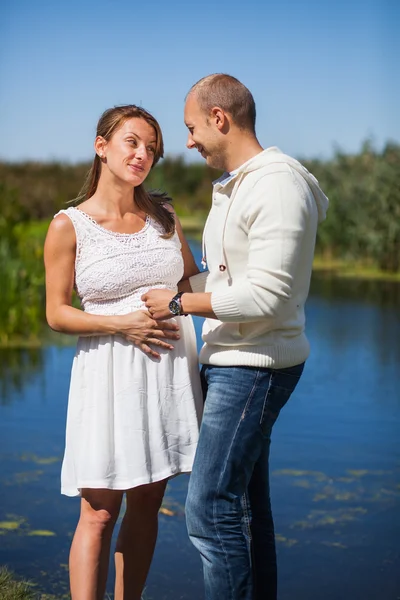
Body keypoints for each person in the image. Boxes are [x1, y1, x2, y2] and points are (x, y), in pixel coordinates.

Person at [142, 74, 329, 600]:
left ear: (219, 119)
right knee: (245, 509)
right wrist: (179, 284)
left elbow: (269, 297)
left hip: (255, 365)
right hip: (233, 359)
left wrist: (181, 304)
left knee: (208, 507)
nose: (189, 140)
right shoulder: (237, 185)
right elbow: (231, 279)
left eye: (192, 127)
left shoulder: (277, 184)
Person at [44, 104, 203, 600]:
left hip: (167, 377)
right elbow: (57, 313)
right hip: (107, 376)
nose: (142, 155)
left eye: (151, 148)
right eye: (132, 142)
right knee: (98, 510)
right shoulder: (69, 225)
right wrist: (121, 325)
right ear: (102, 146)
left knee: (149, 499)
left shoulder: (165, 215)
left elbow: (187, 281)